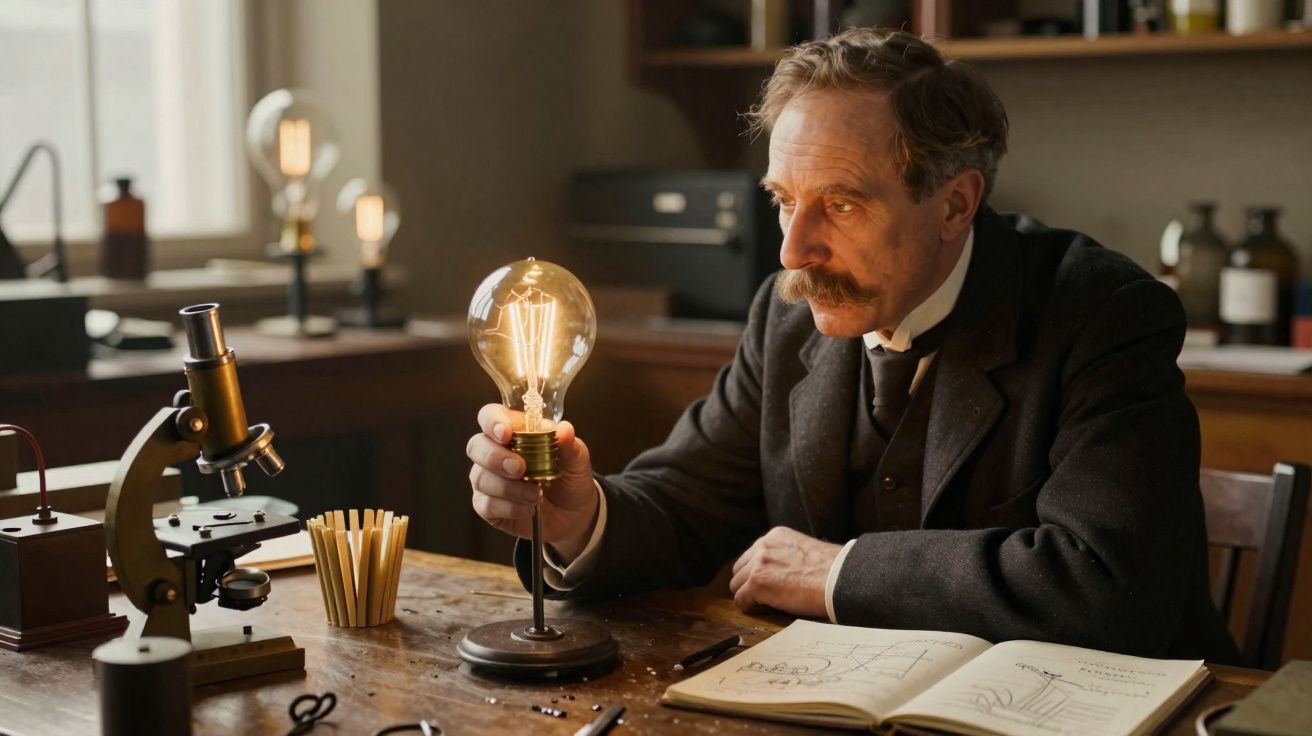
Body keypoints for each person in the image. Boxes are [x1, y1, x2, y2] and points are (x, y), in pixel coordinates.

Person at [465, 28, 1238, 662]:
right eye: (783, 202)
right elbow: (682, 501)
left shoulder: (1105, 314)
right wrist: (579, 517)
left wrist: (838, 571)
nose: (793, 252)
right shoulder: (789, 314)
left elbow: (1109, 586)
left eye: (838, 204)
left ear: (955, 204)